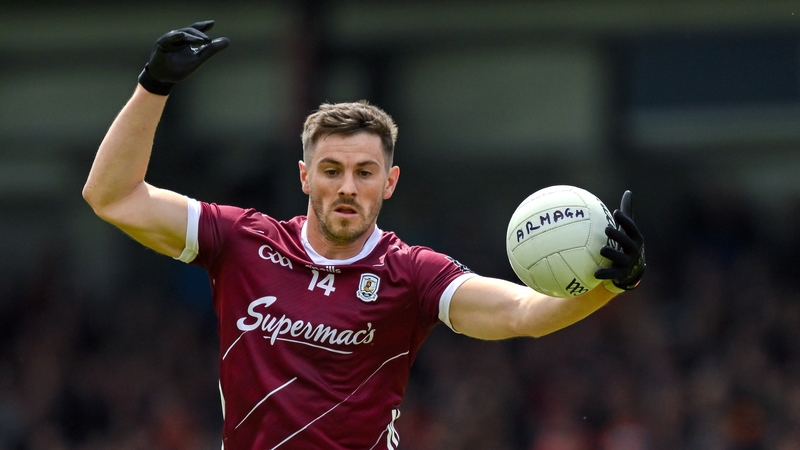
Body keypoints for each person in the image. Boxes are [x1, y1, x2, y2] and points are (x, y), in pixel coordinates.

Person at [82, 21, 645, 450]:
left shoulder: (413, 273)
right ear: (305, 176)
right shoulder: (242, 241)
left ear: (389, 182)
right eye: (331, 170)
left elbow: (521, 313)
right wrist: (153, 87)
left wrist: (609, 286)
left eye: (364, 172)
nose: (347, 186)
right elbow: (111, 195)